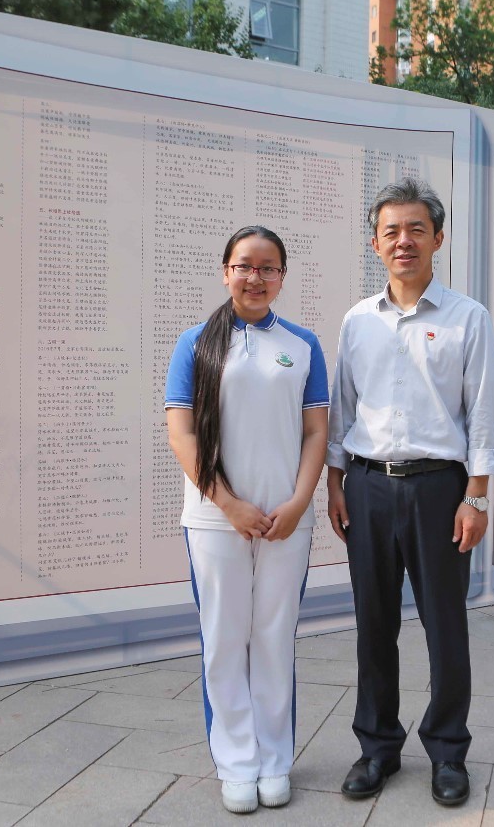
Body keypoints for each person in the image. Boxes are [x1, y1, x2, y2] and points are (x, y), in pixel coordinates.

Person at [326, 178, 494, 807]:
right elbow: (343, 407)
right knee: (373, 625)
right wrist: (336, 482)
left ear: (438, 238)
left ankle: (448, 751)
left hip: (439, 491)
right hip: (369, 486)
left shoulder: (467, 318)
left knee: (444, 627)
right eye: (392, 231)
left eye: (416, 229)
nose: (405, 241)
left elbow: (483, 411)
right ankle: (377, 747)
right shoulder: (356, 320)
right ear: (375, 243)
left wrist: (476, 496)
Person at [165, 226, 329, 814]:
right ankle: (235, 762)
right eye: (244, 266)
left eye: (268, 268)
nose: (255, 278)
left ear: (282, 275)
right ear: (225, 270)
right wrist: (225, 502)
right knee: (224, 641)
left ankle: (273, 760)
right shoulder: (196, 344)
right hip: (215, 520)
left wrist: (299, 501)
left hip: (287, 519)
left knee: (274, 638)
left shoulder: (303, 344)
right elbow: (180, 430)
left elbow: (316, 432)